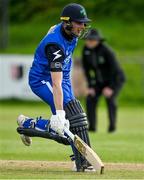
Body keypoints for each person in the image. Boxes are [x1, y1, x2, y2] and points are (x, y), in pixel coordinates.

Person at [16, 3, 93, 172]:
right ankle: (80, 161)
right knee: (64, 124)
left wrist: (62, 114)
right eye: (79, 22)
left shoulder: (68, 33)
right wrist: (59, 114)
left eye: (83, 22)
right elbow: (55, 82)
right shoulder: (54, 46)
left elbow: (62, 78)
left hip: (62, 78)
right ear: (67, 23)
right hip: (43, 80)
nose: (83, 26)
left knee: (74, 118)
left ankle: (83, 162)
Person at [82, 29, 125, 132]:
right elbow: (87, 70)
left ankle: (112, 127)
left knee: (110, 99)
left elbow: (115, 70)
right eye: (87, 40)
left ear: (98, 40)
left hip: (115, 79)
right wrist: (91, 86)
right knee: (90, 98)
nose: (89, 42)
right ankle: (92, 127)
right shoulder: (86, 50)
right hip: (99, 81)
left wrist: (111, 87)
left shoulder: (107, 51)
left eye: (92, 40)